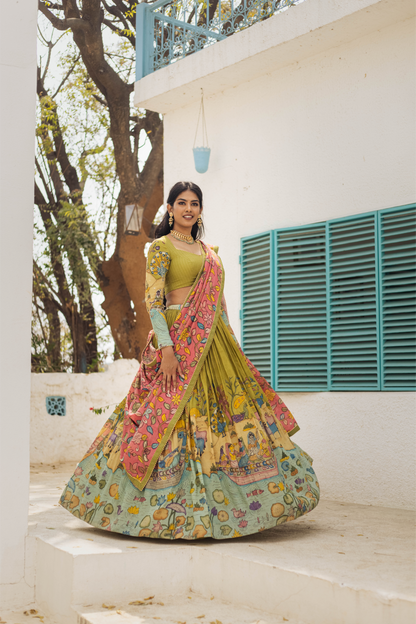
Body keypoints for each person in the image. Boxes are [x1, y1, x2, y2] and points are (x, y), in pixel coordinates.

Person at [60, 181, 320, 539]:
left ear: (200, 210)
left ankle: (242, 505)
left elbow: (221, 305)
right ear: (170, 209)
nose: (187, 209)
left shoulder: (210, 252)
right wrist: (167, 349)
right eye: (180, 203)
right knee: (166, 413)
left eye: (194, 203)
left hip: (214, 344)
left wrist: (230, 343)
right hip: (179, 341)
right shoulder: (160, 247)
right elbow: (154, 301)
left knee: (227, 413)